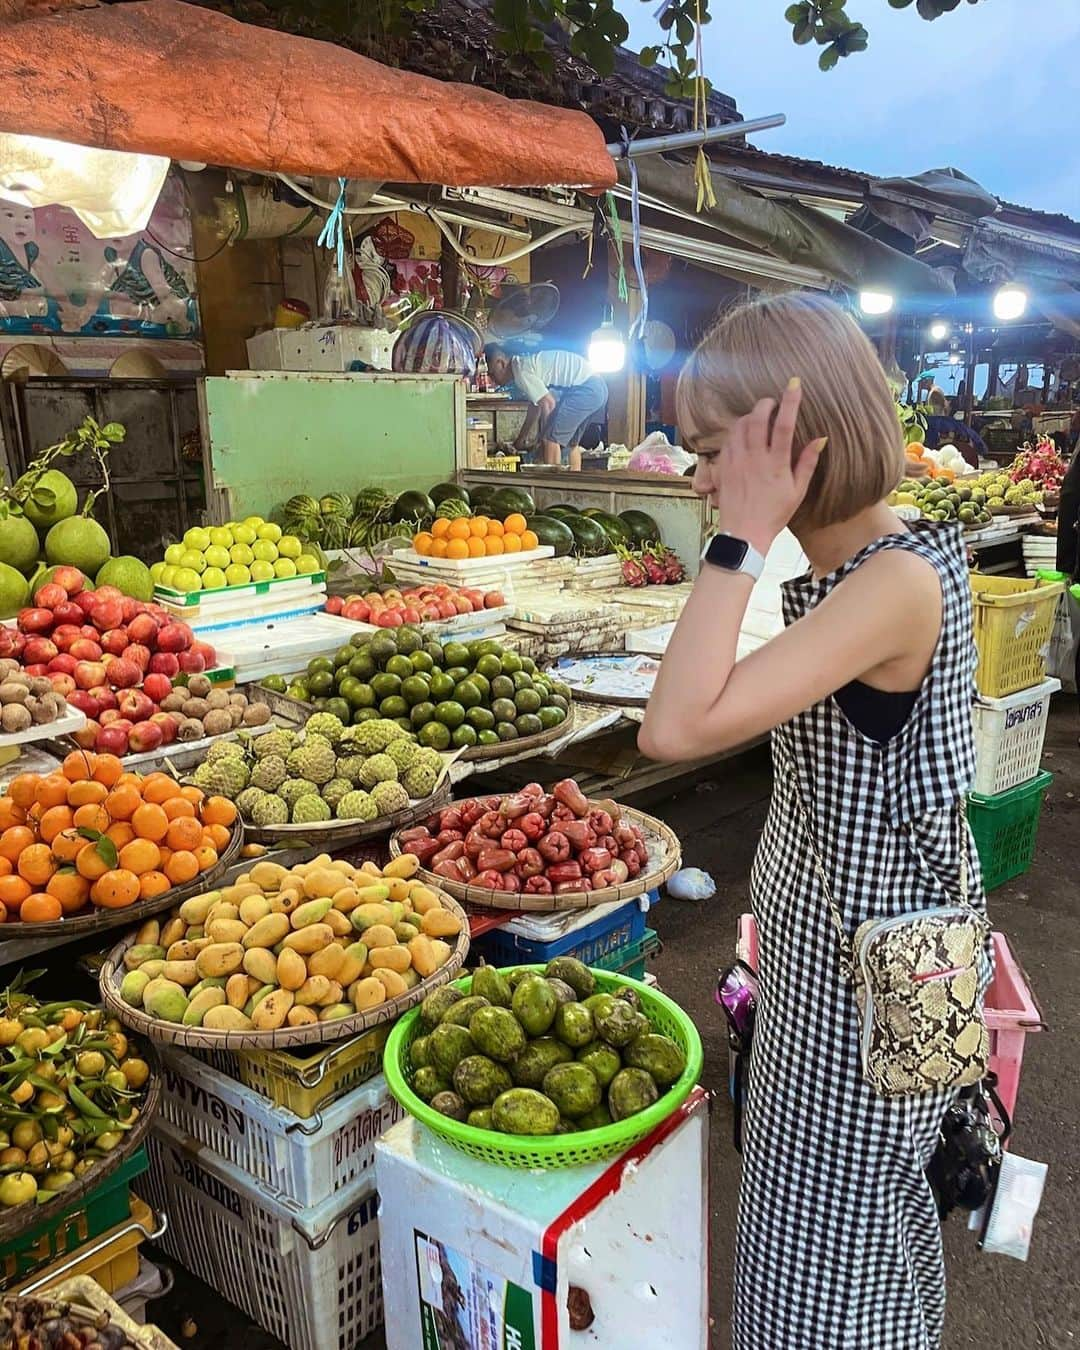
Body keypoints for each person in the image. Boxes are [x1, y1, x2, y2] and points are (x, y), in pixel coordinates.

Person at [638, 293, 987, 1350]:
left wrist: (739, 538)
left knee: (822, 1259)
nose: (701, 480)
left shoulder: (892, 585)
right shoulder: (879, 560)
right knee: (869, 1227)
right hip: (877, 957)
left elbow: (673, 726)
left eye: (712, 452)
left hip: (873, 978)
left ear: (794, 436)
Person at [484, 343, 607, 471]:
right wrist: (520, 440)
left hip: (586, 388)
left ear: (500, 363)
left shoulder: (521, 371)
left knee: (550, 440)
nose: (492, 380)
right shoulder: (524, 366)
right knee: (570, 443)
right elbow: (535, 406)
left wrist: (544, 438)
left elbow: (549, 403)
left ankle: (554, 488)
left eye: (491, 374)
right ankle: (573, 487)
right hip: (598, 387)